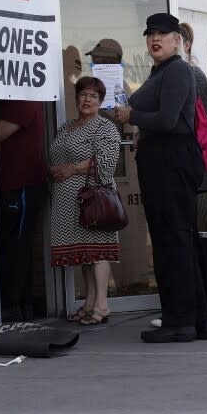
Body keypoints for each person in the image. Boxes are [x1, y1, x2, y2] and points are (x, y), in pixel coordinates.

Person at [115, 12, 207, 343]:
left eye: (162, 33)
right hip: (162, 161)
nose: (154, 38)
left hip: (171, 163)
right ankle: (198, 320)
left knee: (173, 241)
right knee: (176, 240)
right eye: (150, 34)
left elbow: (170, 119)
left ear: (178, 40)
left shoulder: (178, 70)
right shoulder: (161, 71)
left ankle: (180, 321)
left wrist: (133, 116)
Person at [49, 76, 121, 325]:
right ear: (77, 97)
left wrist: (71, 169)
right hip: (66, 201)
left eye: (93, 96)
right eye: (83, 94)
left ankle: (102, 305)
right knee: (85, 254)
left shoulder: (105, 127)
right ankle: (89, 302)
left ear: (100, 101)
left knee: (98, 250)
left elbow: (106, 162)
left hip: (93, 199)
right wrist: (55, 170)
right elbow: (54, 155)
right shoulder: (65, 127)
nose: (87, 99)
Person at [0, 99, 47, 322]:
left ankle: (16, 306)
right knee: (10, 246)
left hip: (20, 186)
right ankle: (18, 305)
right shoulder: (13, 101)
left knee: (16, 247)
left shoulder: (23, 99)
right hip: (9, 184)